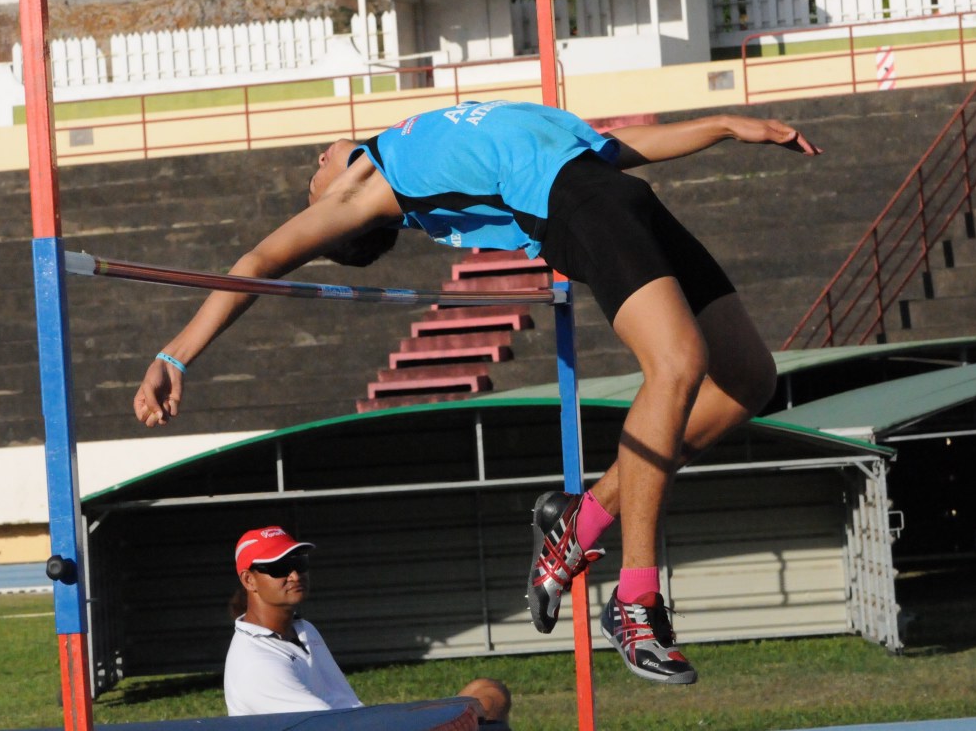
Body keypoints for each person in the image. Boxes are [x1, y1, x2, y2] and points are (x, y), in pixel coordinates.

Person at [136, 100, 821, 685]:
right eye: (312, 178)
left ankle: (577, 523)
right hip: (574, 206)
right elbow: (257, 265)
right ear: (336, 205)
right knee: (676, 365)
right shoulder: (366, 186)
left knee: (748, 380)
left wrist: (726, 126)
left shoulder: (415, 138)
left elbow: (612, 147)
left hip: (614, 190)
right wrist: (177, 355)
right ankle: (636, 603)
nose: (315, 161)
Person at [224, 525, 511, 725]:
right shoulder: (255, 662)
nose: (295, 574)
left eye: (299, 561)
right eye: (278, 568)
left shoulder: (303, 630)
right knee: (486, 706)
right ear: (249, 580)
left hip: (357, 724)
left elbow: (346, 708)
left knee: (487, 690)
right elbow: (328, 726)